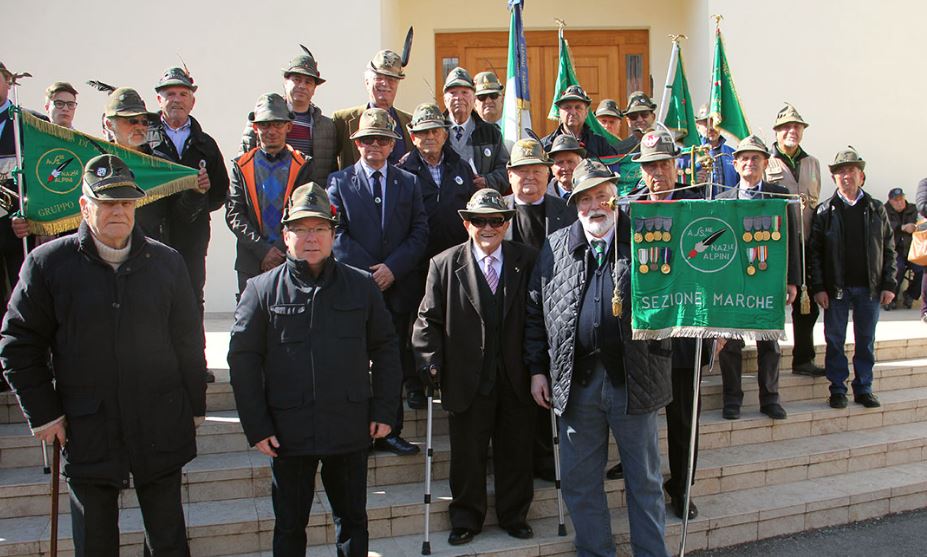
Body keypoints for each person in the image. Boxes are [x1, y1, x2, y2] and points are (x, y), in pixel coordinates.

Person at [1, 154, 206, 556]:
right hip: (87, 426)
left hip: (158, 423)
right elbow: (18, 343)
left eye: (126, 202)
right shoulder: (48, 264)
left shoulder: (167, 262)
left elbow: (187, 340)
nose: (118, 211)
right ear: (84, 206)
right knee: (95, 544)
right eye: (107, 202)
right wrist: (44, 413)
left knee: (168, 542)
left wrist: (194, 405)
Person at [229, 182, 401, 557]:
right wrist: (256, 425)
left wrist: (385, 410)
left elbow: (386, 348)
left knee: (352, 523)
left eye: (320, 228)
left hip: (349, 427)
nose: (311, 238)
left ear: (332, 234)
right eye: (302, 229)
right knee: (290, 526)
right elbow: (243, 360)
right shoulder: (261, 290)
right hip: (288, 432)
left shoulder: (361, 286)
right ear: (286, 235)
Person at [526, 158, 672, 557]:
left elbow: (678, 292)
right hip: (577, 384)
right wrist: (538, 370)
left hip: (634, 381)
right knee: (580, 482)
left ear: (616, 197)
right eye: (585, 199)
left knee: (644, 481)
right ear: (575, 205)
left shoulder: (645, 237)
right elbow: (536, 311)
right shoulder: (555, 246)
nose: (595, 206)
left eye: (602, 196)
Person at [413, 188, 538, 546]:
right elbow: (427, 320)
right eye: (479, 220)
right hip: (466, 376)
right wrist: (430, 362)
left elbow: (537, 315)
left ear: (505, 224)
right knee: (467, 454)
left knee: (516, 449)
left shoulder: (527, 259)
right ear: (467, 224)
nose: (487, 228)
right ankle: (467, 518)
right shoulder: (444, 264)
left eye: (495, 220)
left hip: (516, 375)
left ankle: (515, 515)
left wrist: (539, 366)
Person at [328, 108, 428, 456]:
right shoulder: (338, 182)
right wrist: (369, 274)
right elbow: (336, 234)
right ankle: (357, 431)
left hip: (397, 288)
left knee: (392, 360)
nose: (375, 145)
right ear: (357, 144)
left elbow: (419, 232)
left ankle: (390, 430)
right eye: (368, 139)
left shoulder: (409, 183)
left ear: (392, 144)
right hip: (355, 287)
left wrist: (392, 269)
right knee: (354, 360)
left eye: (382, 140)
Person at [716, 135, 800, 421]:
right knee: (730, 342)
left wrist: (792, 280)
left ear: (765, 163)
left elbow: (791, 239)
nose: (749, 163)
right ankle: (732, 400)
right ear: (735, 164)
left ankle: (770, 399)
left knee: (769, 342)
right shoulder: (722, 200)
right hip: (732, 281)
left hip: (768, 278)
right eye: (744, 158)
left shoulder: (779, 196)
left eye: (756, 158)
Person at [397, 103, 475, 409]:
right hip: (416, 263)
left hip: (455, 263)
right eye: (422, 132)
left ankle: (449, 377)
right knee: (417, 325)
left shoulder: (462, 167)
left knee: (453, 322)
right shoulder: (402, 171)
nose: (429, 137)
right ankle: (415, 383)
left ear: (445, 134)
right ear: (413, 137)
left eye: (434, 131)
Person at [810, 147, 896, 410]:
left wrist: (889, 283)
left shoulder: (876, 208)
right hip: (836, 289)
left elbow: (889, 248)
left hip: (869, 288)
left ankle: (864, 388)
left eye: (851, 170)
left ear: (861, 176)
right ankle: (837, 389)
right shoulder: (825, 211)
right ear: (834, 178)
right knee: (835, 340)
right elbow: (815, 253)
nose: (846, 176)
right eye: (841, 172)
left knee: (865, 340)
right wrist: (818, 287)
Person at [153, 66, 229, 318]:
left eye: (183, 94)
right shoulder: (143, 141)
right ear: (159, 99)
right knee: (153, 299)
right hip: (152, 236)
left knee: (191, 299)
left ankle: (194, 346)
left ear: (192, 102)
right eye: (170, 94)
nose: (176, 99)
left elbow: (220, 193)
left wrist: (199, 196)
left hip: (192, 237)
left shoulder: (206, 144)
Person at [226, 92, 313, 297]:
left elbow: (304, 212)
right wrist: (263, 250)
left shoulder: (303, 164)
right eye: (264, 125)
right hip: (251, 259)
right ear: (255, 128)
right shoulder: (240, 165)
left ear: (288, 126)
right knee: (249, 315)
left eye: (277, 124)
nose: (271, 130)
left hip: (291, 257)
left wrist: (279, 250)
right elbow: (234, 214)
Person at [764, 103, 825, 376]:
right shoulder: (767, 161)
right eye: (786, 127)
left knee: (806, 306)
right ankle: (769, 362)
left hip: (806, 242)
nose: (792, 131)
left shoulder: (812, 163)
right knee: (773, 302)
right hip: (777, 243)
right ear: (776, 131)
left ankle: (803, 358)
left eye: (797, 127)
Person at [241, 48, 337, 185]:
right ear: (285, 82)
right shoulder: (261, 118)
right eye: (297, 80)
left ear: (314, 89)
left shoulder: (326, 127)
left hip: (308, 194)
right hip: (268, 192)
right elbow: (243, 162)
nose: (302, 86)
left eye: (308, 82)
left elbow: (330, 170)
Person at [333, 49, 412, 168]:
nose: (385, 83)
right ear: (367, 82)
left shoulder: (410, 123)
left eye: (391, 79)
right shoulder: (342, 120)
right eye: (379, 77)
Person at [442, 67, 510, 193]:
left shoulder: (491, 133)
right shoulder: (435, 132)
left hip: (480, 201)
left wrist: (487, 181)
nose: (459, 97)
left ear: (473, 98)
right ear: (445, 99)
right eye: (453, 93)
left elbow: (506, 170)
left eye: (464, 92)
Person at [504, 138, 574, 249]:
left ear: (547, 175)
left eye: (536, 171)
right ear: (510, 176)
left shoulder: (569, 211)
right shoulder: (497, 211)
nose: (530, 177)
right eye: (523, 171)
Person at [676, 103, 737, 197]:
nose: (711, 127)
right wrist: (692, 181)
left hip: (728, 205)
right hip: (698, 205)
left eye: (715, 122)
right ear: (697, 126)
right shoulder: (686, 154)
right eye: (706, 122)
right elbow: (677, 186)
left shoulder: (732, 154)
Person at [541, 85, 618, 160]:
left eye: (578, 107)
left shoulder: (600, 144)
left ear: (586, 113)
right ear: (559, 112)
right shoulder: (546, 145)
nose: (573, 112)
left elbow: (614, 166)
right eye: (567, 107)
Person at [884, 187, 921, 310]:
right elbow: (884, 227)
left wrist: (916, 227)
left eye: (901, 199)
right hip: (894, 251)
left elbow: (920, 222)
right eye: (896, 200)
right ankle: (891, 298)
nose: (900, 202)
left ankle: (910, 294)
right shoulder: (884, 210)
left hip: (912, 250)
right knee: (897, 268)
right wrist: (902, 227)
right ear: (890, 201)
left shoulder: (913, 209)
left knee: (922, 270)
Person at [546, 134, 586, 203]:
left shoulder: (592, 194)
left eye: (570, 162)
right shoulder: (543, 199)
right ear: (552, 168)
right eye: (560, 162)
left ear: (580, 165)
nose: (566, 168)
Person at [615, 91, 657, 155]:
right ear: (628, 121)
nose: (640, 120)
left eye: (644, 114)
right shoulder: (618, 150)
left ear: (653, 117)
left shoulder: (665, 144)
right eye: (633, 116)